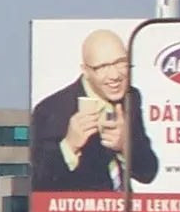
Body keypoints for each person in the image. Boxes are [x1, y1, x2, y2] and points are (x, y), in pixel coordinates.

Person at [30, 27, 159, 192]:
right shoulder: (51, 111)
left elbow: (148, 173)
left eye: (121, 63)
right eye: (103, 67)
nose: (114, 75)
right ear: (85, 70)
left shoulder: (130, 98)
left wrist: (125, 147)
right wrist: (69, 147)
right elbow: (40, 185)